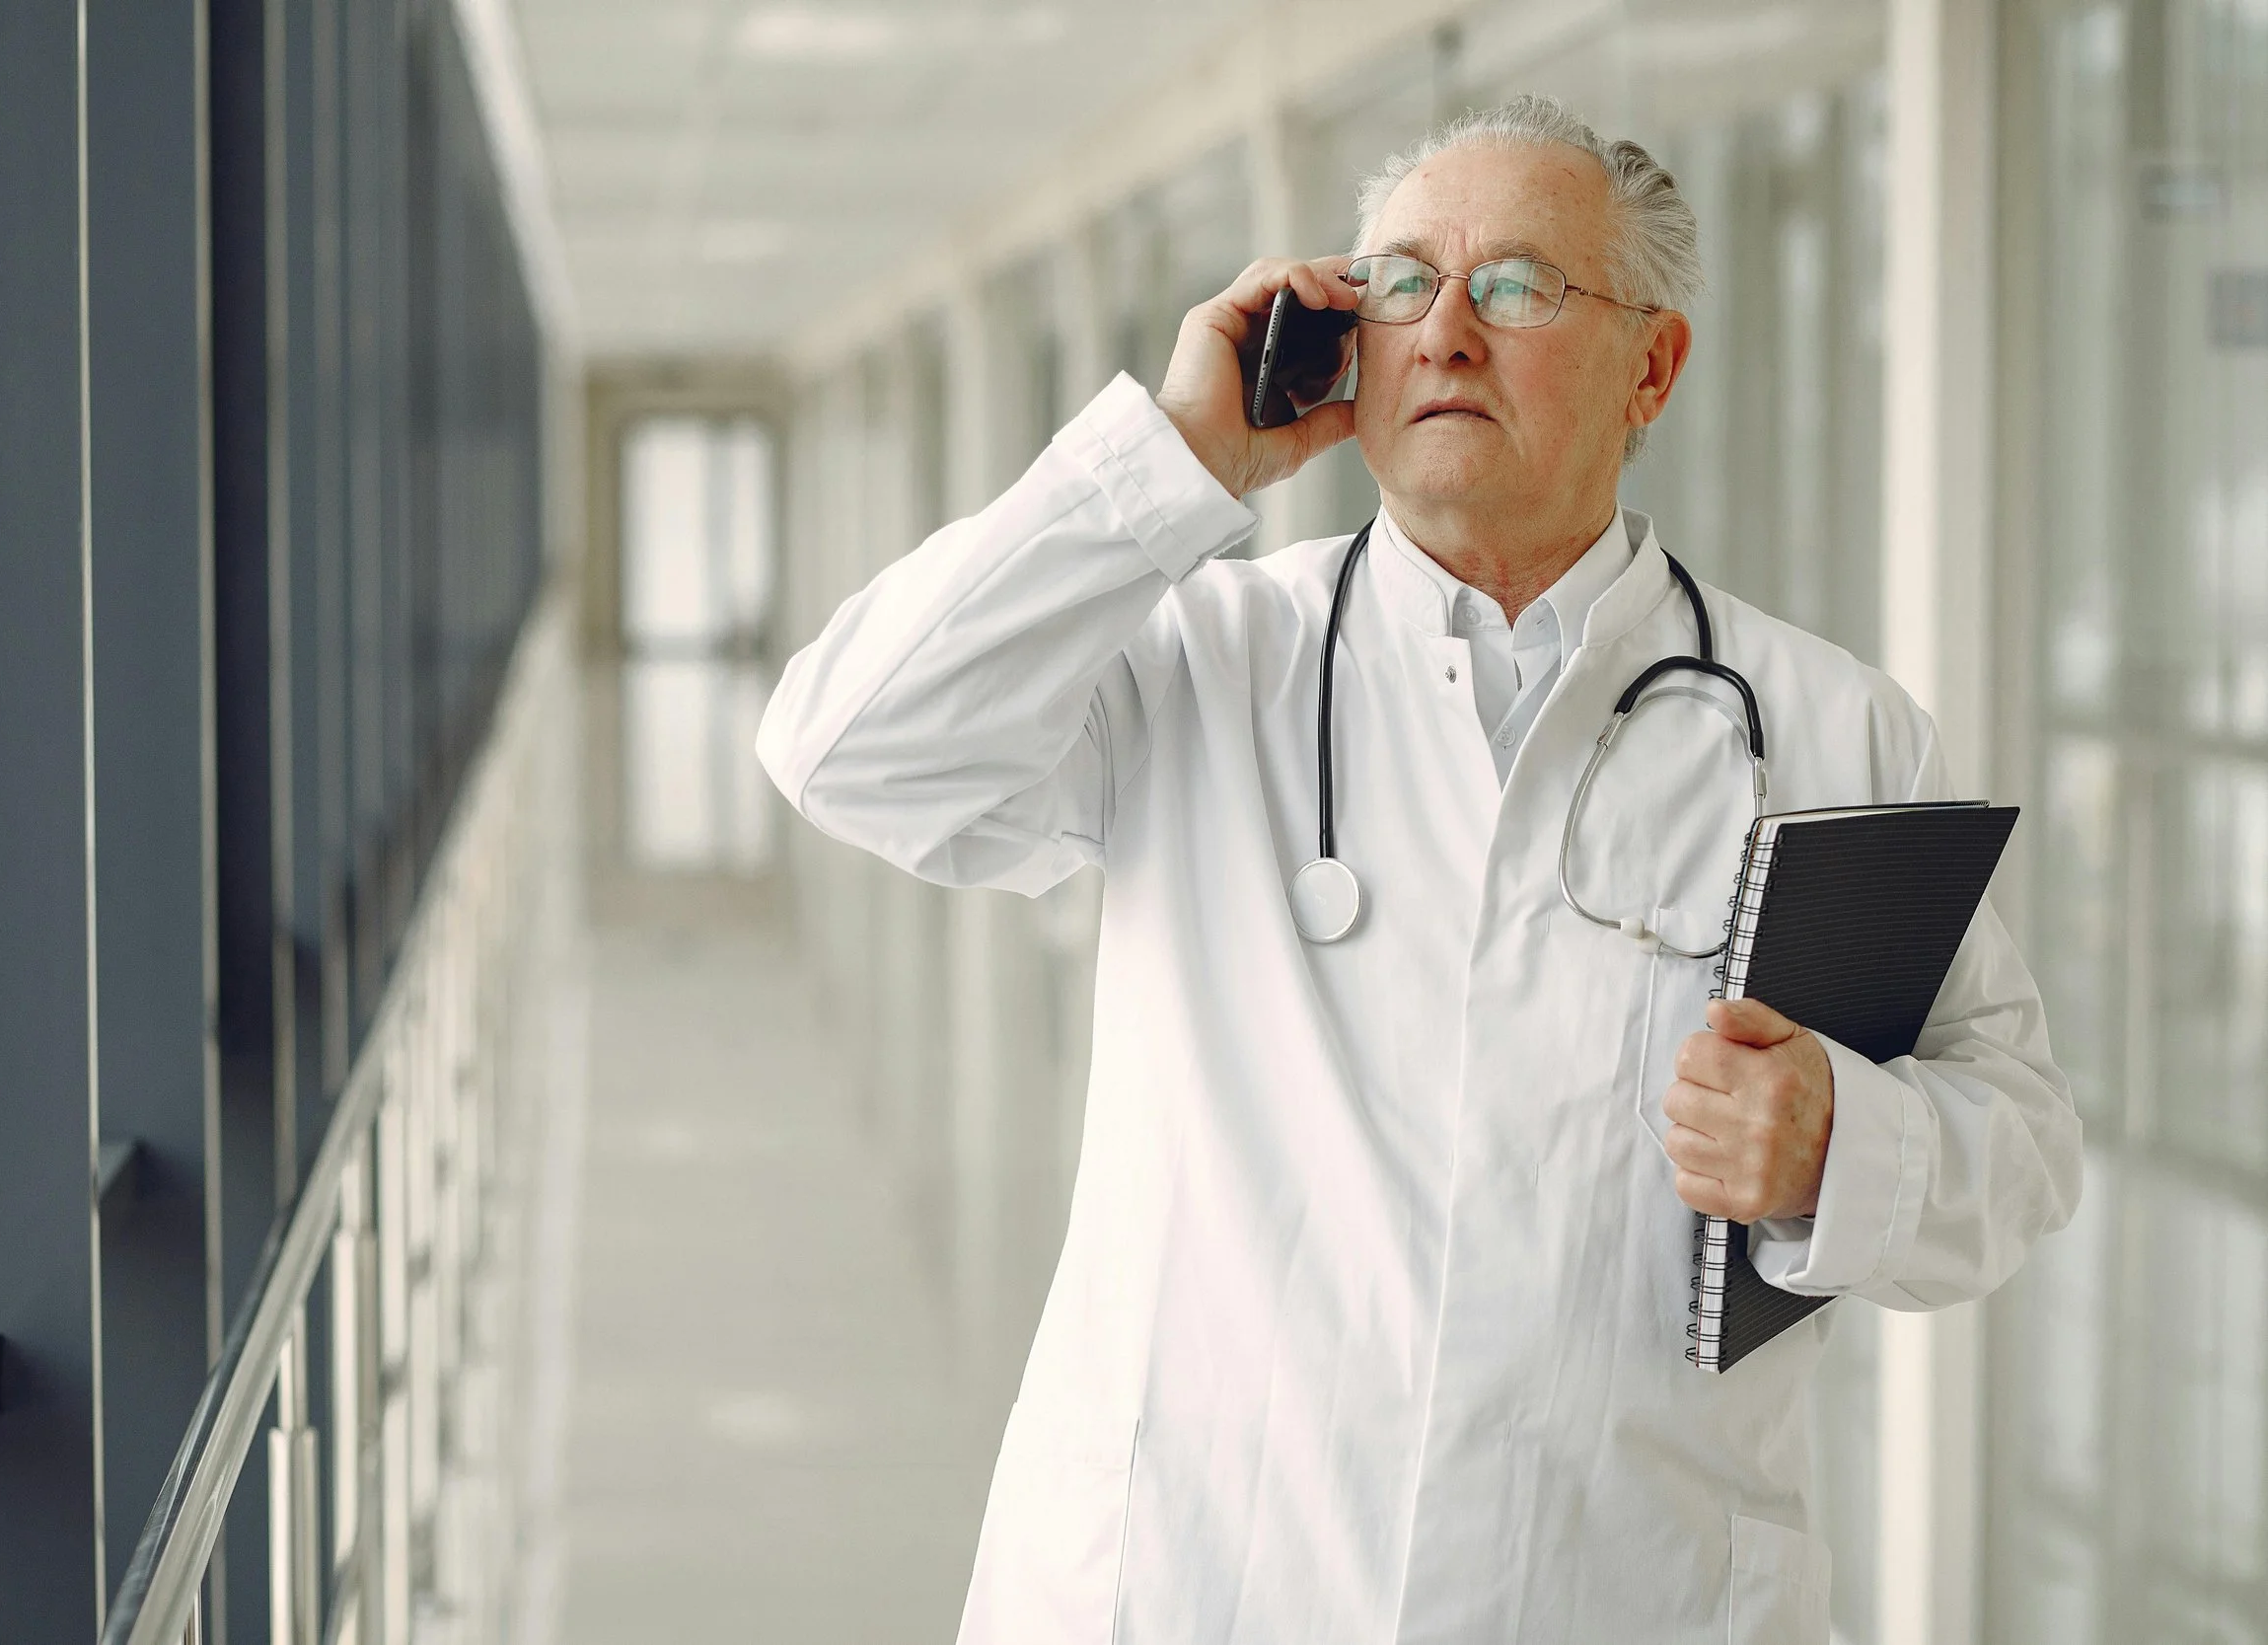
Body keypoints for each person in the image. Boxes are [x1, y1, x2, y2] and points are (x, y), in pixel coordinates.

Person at [757, 95, 2079, 1645]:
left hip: (1622, 1590)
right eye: (1400, 283)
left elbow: (2025, 1138)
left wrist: (1843, 1141)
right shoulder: (1202, 660)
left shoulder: (1830, 732)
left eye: (1519, 285)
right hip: (1199, 1583)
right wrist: (1175, 456)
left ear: (1652, 366)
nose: (1447, 331)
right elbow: (849, 747)